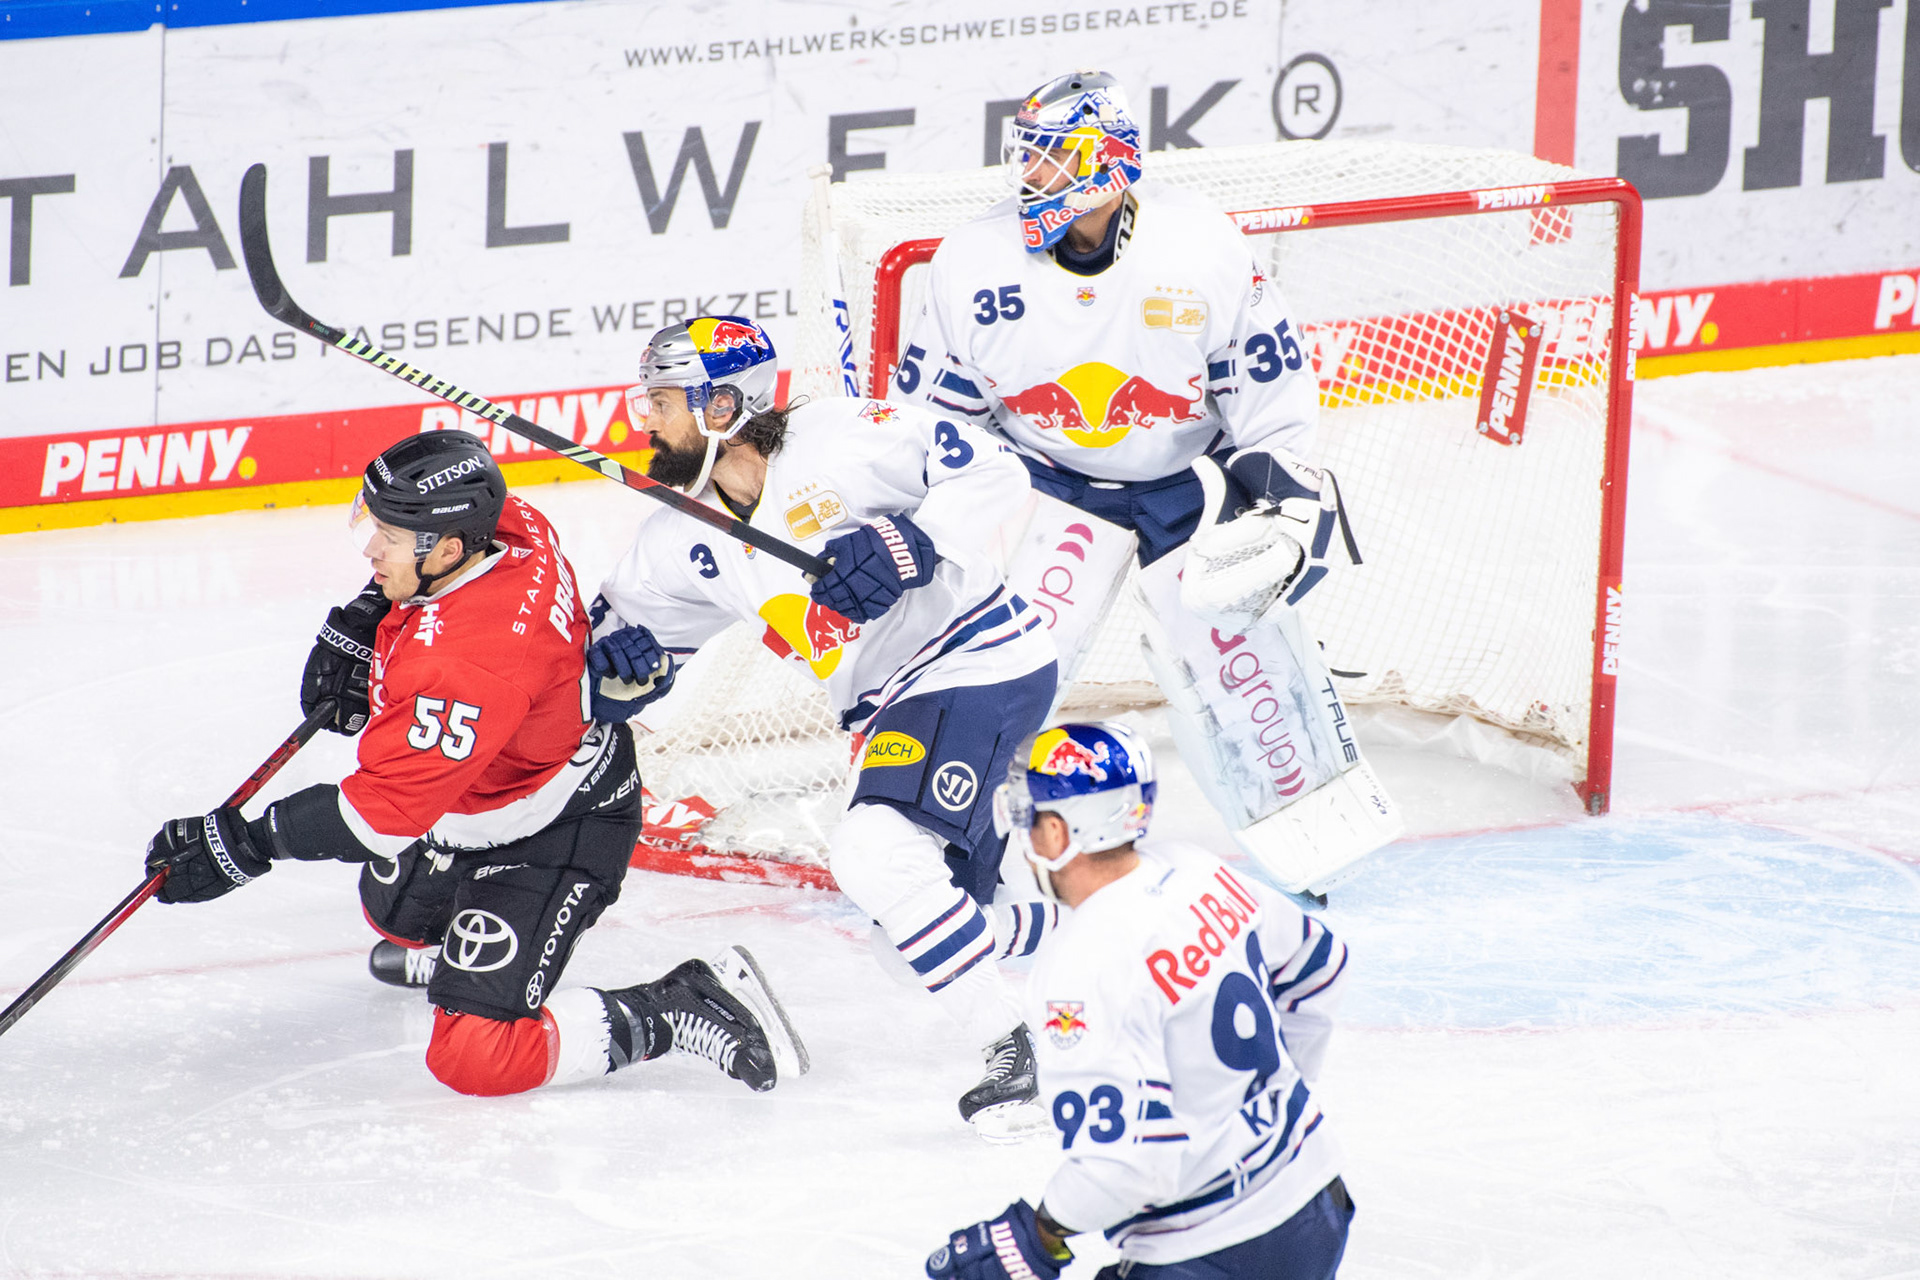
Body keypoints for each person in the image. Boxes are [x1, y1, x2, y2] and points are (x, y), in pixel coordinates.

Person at [142, 430, 806, 1098]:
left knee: (477, 1055)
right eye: (371, 525)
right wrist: (373, 614)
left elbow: (379, 817)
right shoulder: (513, 527)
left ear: (450, 548)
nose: (372, 548)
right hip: (490, 788)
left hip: (559, 827)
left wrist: (248, 845)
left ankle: (683, 1003)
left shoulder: (463, 665)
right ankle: (458, 943)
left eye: (389, 539)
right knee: (391, 915)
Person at [890, 70, 1400, 897]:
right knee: (1000, 676)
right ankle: (951, 860)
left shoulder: (1199, 249)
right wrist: (918, 525)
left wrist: (1286, 502)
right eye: (1027, 160)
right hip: (1049, 488)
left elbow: (1268, 401)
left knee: (1250, 685)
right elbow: (932, 424)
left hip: (1185, 490)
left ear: (1104, 162)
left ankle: (1313, 856)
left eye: (1050, 161)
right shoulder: (972, 265)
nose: (1030, 180)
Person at [589, 315, 1058, 1138]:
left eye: (660, 402)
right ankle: (1066, 913)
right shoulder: (678, 539)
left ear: (722, 403)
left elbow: (996, 470)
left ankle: (1015, 1052)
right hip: (889, 704)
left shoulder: (848, 437)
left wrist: (913, 538)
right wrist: (618, 665)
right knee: (907, 944)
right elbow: (617, 658)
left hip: (976, 656)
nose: (644, 423)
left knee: (872, 850)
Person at [926, 721, 1354, 1280]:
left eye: (1027, 817)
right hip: (1316, 1192)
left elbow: (1123, 1166)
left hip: (1215, 1247)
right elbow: (1323, 963)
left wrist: (1042, 1233)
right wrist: (1267, 1104)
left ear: (1058, 835)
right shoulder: (1197, 870)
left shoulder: (1078, 968)